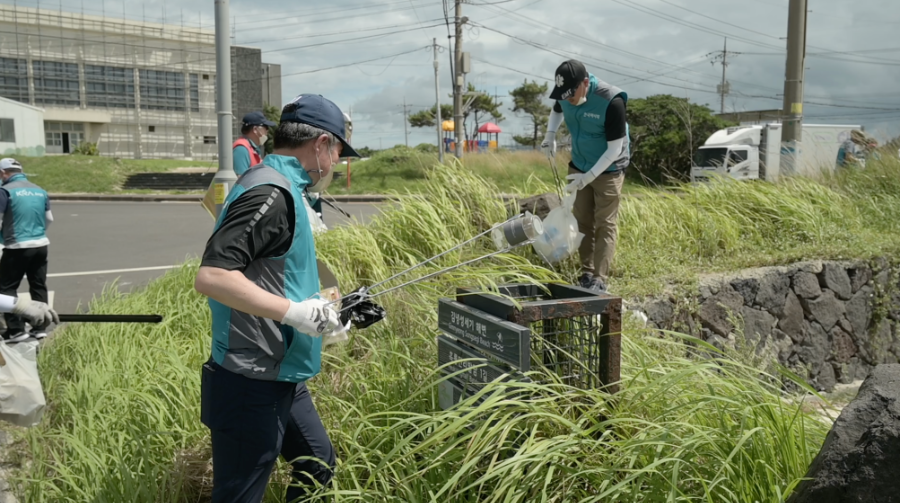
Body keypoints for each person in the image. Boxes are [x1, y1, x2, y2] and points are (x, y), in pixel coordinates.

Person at [194, 93, 361, 503]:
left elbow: (275, 273)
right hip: (250, 377)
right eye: (339, 150)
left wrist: (331, 314)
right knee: (239, 494)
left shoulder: (284, 186)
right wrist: (296, 313)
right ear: (321, 144)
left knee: (317, 463)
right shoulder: (270, 193)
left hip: (281, 372)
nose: (338, 162)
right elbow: (213, 276)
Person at [541, 59, 630, 293]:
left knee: (605, 223)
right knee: (582, 220)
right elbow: (557, 109)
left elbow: (615, 149)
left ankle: (600, 278)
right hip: (579, 164)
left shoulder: (611, 101)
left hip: (609, 169)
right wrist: (550, 134)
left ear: (584, 83)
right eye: (564, 95)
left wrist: (589, 176)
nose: (568, 99)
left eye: (572, 94)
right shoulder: (566, 94)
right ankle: (586, 273)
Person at [0, 158, 54, 341]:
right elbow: (49, 219)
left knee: (6, 288)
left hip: (17, 245)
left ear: (3, 173)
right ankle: (40, 327)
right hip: (41, 244)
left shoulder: (5, 191)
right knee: (38, 285)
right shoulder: (40, 190)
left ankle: (16, 330)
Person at [233, 111, 277, 177]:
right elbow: (240, 181)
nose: (267, 131)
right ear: (255, 129)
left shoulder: (253, 148)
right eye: (266, 127)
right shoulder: (241, 149)